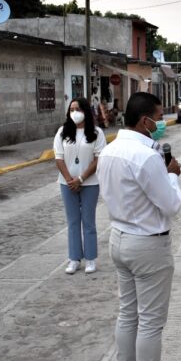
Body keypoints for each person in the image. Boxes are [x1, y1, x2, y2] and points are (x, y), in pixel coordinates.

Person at [97, 92, 181, 361]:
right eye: (158, 117)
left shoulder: (109, 151)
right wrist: (173, 174)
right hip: (148, 243)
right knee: (150, 321)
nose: (160, 123)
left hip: (119, 237)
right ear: (144, 120)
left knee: (127, 313)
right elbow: (171, 204)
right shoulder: (147, 157)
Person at [54, 97, 107, 275]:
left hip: (90, 183)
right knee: (73, 222)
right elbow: (58, 158)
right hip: (66, 183)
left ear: (85, 110)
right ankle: (74, 259)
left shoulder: (97, 133)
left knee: (88, 221)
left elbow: (98, 158)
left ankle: (90, 258)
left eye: (78, 109)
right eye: (72, 109)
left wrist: (81, 179)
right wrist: (70, 179)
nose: (74, 112)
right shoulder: (62, 132)